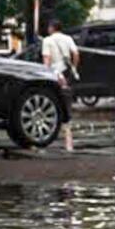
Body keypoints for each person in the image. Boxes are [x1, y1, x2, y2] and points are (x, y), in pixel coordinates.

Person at [39, 19, 79, 152]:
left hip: (54, 75)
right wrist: (73, 67)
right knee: (66, 102)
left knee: (51, 102)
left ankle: (47, 136)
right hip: (67, 73)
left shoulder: (47, 41)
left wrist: (46, 73)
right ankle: (69, 141)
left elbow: (47, 60)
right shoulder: (68, 39)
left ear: (51, 28)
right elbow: (76, 53)